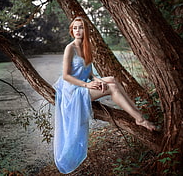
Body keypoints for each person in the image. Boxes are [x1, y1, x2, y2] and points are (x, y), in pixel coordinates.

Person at [53, 16, 156, 174]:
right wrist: (88, 84)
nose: (78, 31)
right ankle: (140, 119)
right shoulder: (70, 48)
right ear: (71, 31)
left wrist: (96, 80)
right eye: (75, 28)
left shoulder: (88, 46)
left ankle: (137, 112)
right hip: (73, 90)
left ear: (85, 30)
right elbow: (66, 76)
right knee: (112, 88)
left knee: (112, 80)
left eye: (81, 27)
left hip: (85, 83)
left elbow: (90, 73)